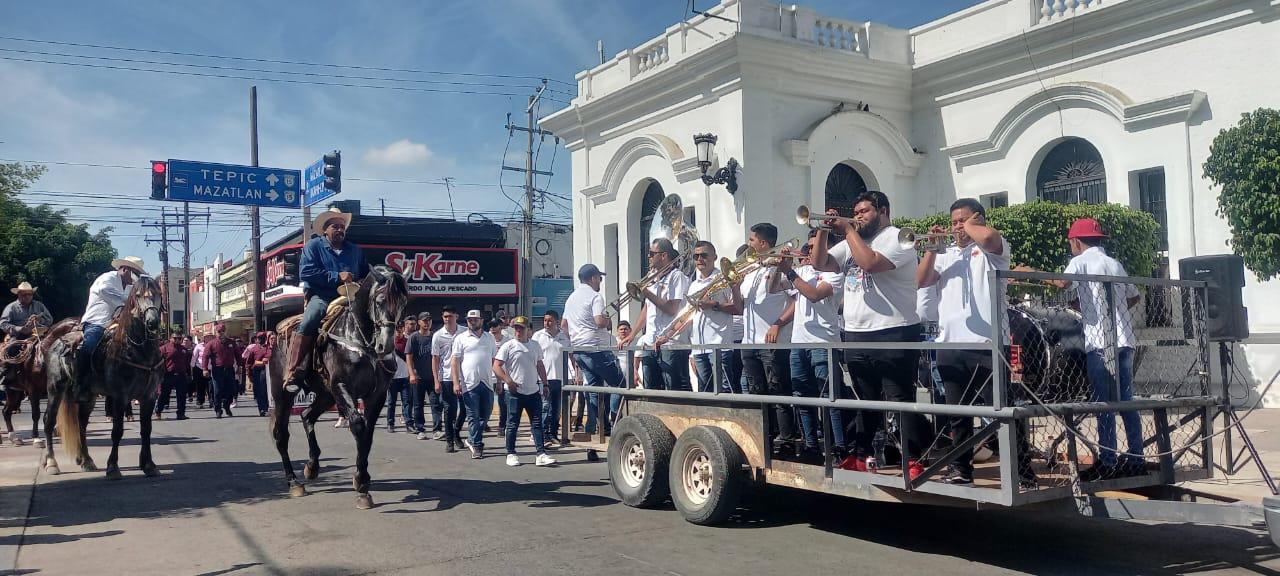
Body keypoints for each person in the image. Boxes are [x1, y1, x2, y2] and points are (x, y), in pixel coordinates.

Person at [918, 198, 1035, 487]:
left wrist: (970, 227)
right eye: (953, 222)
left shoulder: (992, 249)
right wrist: (932, 247)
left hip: (988, 343)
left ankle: (1022, 472)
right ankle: (961, 470)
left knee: (1002, 412)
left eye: (963, 220)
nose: (956, 227)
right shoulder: (945, 255)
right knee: (958, 414)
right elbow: (921, 280)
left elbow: (988, 237)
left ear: (978, 219)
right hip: (950, 345)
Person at [811, 191, 925, 478]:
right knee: (865, 399)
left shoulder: (899, 237)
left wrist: (848, 230)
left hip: (894, 329)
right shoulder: (853, 242)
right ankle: (861, 455)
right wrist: (824, 232)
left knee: (898, 398)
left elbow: (871, 263)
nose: (858, 216)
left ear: (883, 210)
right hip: (857, 332)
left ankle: (911, 459)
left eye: (864, 211)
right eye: (856, 212)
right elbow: (819, 263)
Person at [1021, 218, 1145, 481]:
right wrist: (1102, 309)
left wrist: (1030, 271)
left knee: (1103, 404)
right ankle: (1137, 459)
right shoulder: (1114, 263)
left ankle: (1107, 461)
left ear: (1076, 241)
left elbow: (1062, 283)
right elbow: (1134, 296)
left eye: (1070, 243)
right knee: (1126, 402)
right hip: (1124, 341)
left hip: (1100, 344)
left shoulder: (1081, 261)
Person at [721, 224, 798, 454]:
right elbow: (740, 307)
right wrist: (734, 286)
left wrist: (778, 323)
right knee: (756, 393)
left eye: (752, 240)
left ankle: (786, 441)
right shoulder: (751, 272)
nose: (749, 244)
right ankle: (764, 438)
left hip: (772, 342)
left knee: (778, 392)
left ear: (763, 244)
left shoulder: (780, 264)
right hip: (749, 342)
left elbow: (796, 300)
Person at [776, 233, 847, 461]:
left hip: (823, 343)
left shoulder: (834, 273)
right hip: (798, 343)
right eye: (807, 248)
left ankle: (839, 448)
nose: (808, 253)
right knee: (802, 397)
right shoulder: (803, 271)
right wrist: (778, 267)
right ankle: (810, 447)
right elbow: (773, 288)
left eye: (814, 248)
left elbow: (814, 295)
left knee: (830, 399)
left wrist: (789, 270)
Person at [284, 208, 369, 394]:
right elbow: (306, 273)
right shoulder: (313, 246)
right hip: (323, 296)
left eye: (342, 226)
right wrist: (337, 276)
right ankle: (294, 370)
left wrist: (363, 281)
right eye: (335, 226)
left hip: (351, 297)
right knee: (310, 319)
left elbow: (365, 273)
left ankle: (380, 365)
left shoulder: (355, 250)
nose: (340, 230)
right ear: (325, 229)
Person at [621, 238, 692, 392]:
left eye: (652, 254)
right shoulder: (652, 278)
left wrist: (646, 291)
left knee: (674, 389)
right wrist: (632, 334)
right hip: (651, 340)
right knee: (651, 388)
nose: (649, 257)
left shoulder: (676, 276)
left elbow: (672, 308)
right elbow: (647, 309)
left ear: (664, 255)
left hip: (671, 342)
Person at [563, 264, 625, 436]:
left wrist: (577, 338)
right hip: (596, 349)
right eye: (599, 278)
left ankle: (595, 430)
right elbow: (599, 321)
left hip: (579, 350)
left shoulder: (571, 298)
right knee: (620, 385)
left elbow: (563, 326)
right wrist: (607, 320)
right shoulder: (595, 296)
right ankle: (615, 426)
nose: (601, 282)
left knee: (594, 390)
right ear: (592, 278)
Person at [74, 256, 146, 402]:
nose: (136, 278)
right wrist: (129, 302)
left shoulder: (131, 287)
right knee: (89, 346)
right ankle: (80, 384)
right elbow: (104, 291)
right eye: (135, 273)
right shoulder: (107, 278)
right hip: (97, 322)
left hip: (119, 324)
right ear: (125, 269)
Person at [677, 241, 737, 393]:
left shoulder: (724, 278)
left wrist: (713, 305)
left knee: (724, 391)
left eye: (704, 255)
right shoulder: (693, 285)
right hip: (699, 348)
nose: (699, 260)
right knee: (705, 392)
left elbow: (738, 308)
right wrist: (668, 334)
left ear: (714, 257)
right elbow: (688, 315)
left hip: (720, 346)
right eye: (696, 256)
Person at [495, 316, 556, 467]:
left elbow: (539, 365)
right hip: (515, 392)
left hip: (533, 391)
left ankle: (540, 453)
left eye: (521, 328)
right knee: (512, 423)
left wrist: (545, 384)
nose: (518, 331)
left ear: (528, 330)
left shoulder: (535, 345)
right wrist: (507, 380)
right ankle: (511, 452)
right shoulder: (508, 346)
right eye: (516, 328)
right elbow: (496, 366)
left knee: (537, 423)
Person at [451, 309, 498, 459]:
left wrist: (499, 380)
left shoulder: (489, 338)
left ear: (481, 321)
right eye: (470, 320)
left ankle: (471, 438)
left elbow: (494, 360)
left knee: (486, 414)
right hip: (469, 384)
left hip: (487, 382)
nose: (472, 322)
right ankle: (477, 445)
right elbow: (455, 361)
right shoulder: (461, 338)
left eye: (475, 319)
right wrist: (455, 382)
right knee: (473, 416)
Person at [531, 310, 570, 445]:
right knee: (544, 407)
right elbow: (533, 357)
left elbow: (571, 356)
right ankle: (540, 435)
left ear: (556, 322)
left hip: (559, 378)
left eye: (550, 320)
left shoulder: (564, 337)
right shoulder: (538, 336)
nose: (547, 323)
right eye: (545, 320)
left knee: (556, 410)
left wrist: (576, 374)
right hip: (543, 379)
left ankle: (552, 433)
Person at [432, 305, 464, 452]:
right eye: (445, 317)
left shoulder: (464, 332)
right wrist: (436, 380)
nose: (447, 319)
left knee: (464, 409)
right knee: (449, 409)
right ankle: (450, 440)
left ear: (456, 317)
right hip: (446, 377)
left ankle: (457, 431)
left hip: (464, 377)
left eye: (450, 316)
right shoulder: (438, 335)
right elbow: (435, 359)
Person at [406, 311, 440, 440]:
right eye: (424, 320)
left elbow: (438, 356)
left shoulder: (435, 336)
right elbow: (408, 356)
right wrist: (411, 373)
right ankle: (420, 429)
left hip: (432, 376)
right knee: (418, 404)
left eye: (429, 320)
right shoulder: (414, 337)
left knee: (435, 403)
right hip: (418, 376)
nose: (427, 323)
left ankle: (437, 429)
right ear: (419, 322)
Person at [202, 323, 239, 418]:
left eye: (223, 331)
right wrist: (205, 369)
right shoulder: (211, 344)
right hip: (217, 370)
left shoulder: (232, 342)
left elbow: (238, 355)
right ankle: (218, 409)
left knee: (230, 390)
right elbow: (205, 357)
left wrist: (240, 366)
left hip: (229, 369)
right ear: (216, 332)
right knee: (217, 391)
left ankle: (227, 407)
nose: (221, 333)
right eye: (219, 331)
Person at [386, 318, 415, 432]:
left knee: (407, 402)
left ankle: (409, 424)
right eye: (396, 329)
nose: (398, 331)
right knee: (391, 402)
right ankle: (390, 423)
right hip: (392, 377)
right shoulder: (389, 342)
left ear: (403, 329)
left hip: (405, 377)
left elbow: (412, 357)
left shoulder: (408, 340)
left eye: (400, 329)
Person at [156, 333, 191, 420]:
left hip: (181, 375)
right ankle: (158, 411)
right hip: (168, 375)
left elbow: (187, 364)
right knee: (163, 395)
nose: (177, 340)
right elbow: (158, 363)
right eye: (175, 338)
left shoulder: (183, 350)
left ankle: (181, 414)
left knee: (182, 395)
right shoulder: (163, 348)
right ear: (170, 338)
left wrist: (189, 374)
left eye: (179, 338)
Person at [242, 331, 272, 417]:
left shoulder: (269, 348)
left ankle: (268, 407)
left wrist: (266, 360)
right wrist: (249, 375)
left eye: (262, 338)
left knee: (267, 391)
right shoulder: (254, 349)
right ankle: (262, 409)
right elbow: (248, 363)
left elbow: (272, 357)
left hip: (269, 372)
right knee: (260, 391)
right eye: (259, 338)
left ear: (265, 339)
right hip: (258, 372)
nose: (260, 340)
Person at [488, 318, 509, 433]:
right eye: (490, 326)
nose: (492, 328)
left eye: (495, 326)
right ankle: (484, 422)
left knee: (503, 403)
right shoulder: (486, 339)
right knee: (487, 403)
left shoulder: (508, 340)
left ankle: (502, 425)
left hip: (503, 375)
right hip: (488, 376)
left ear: (500, 326)